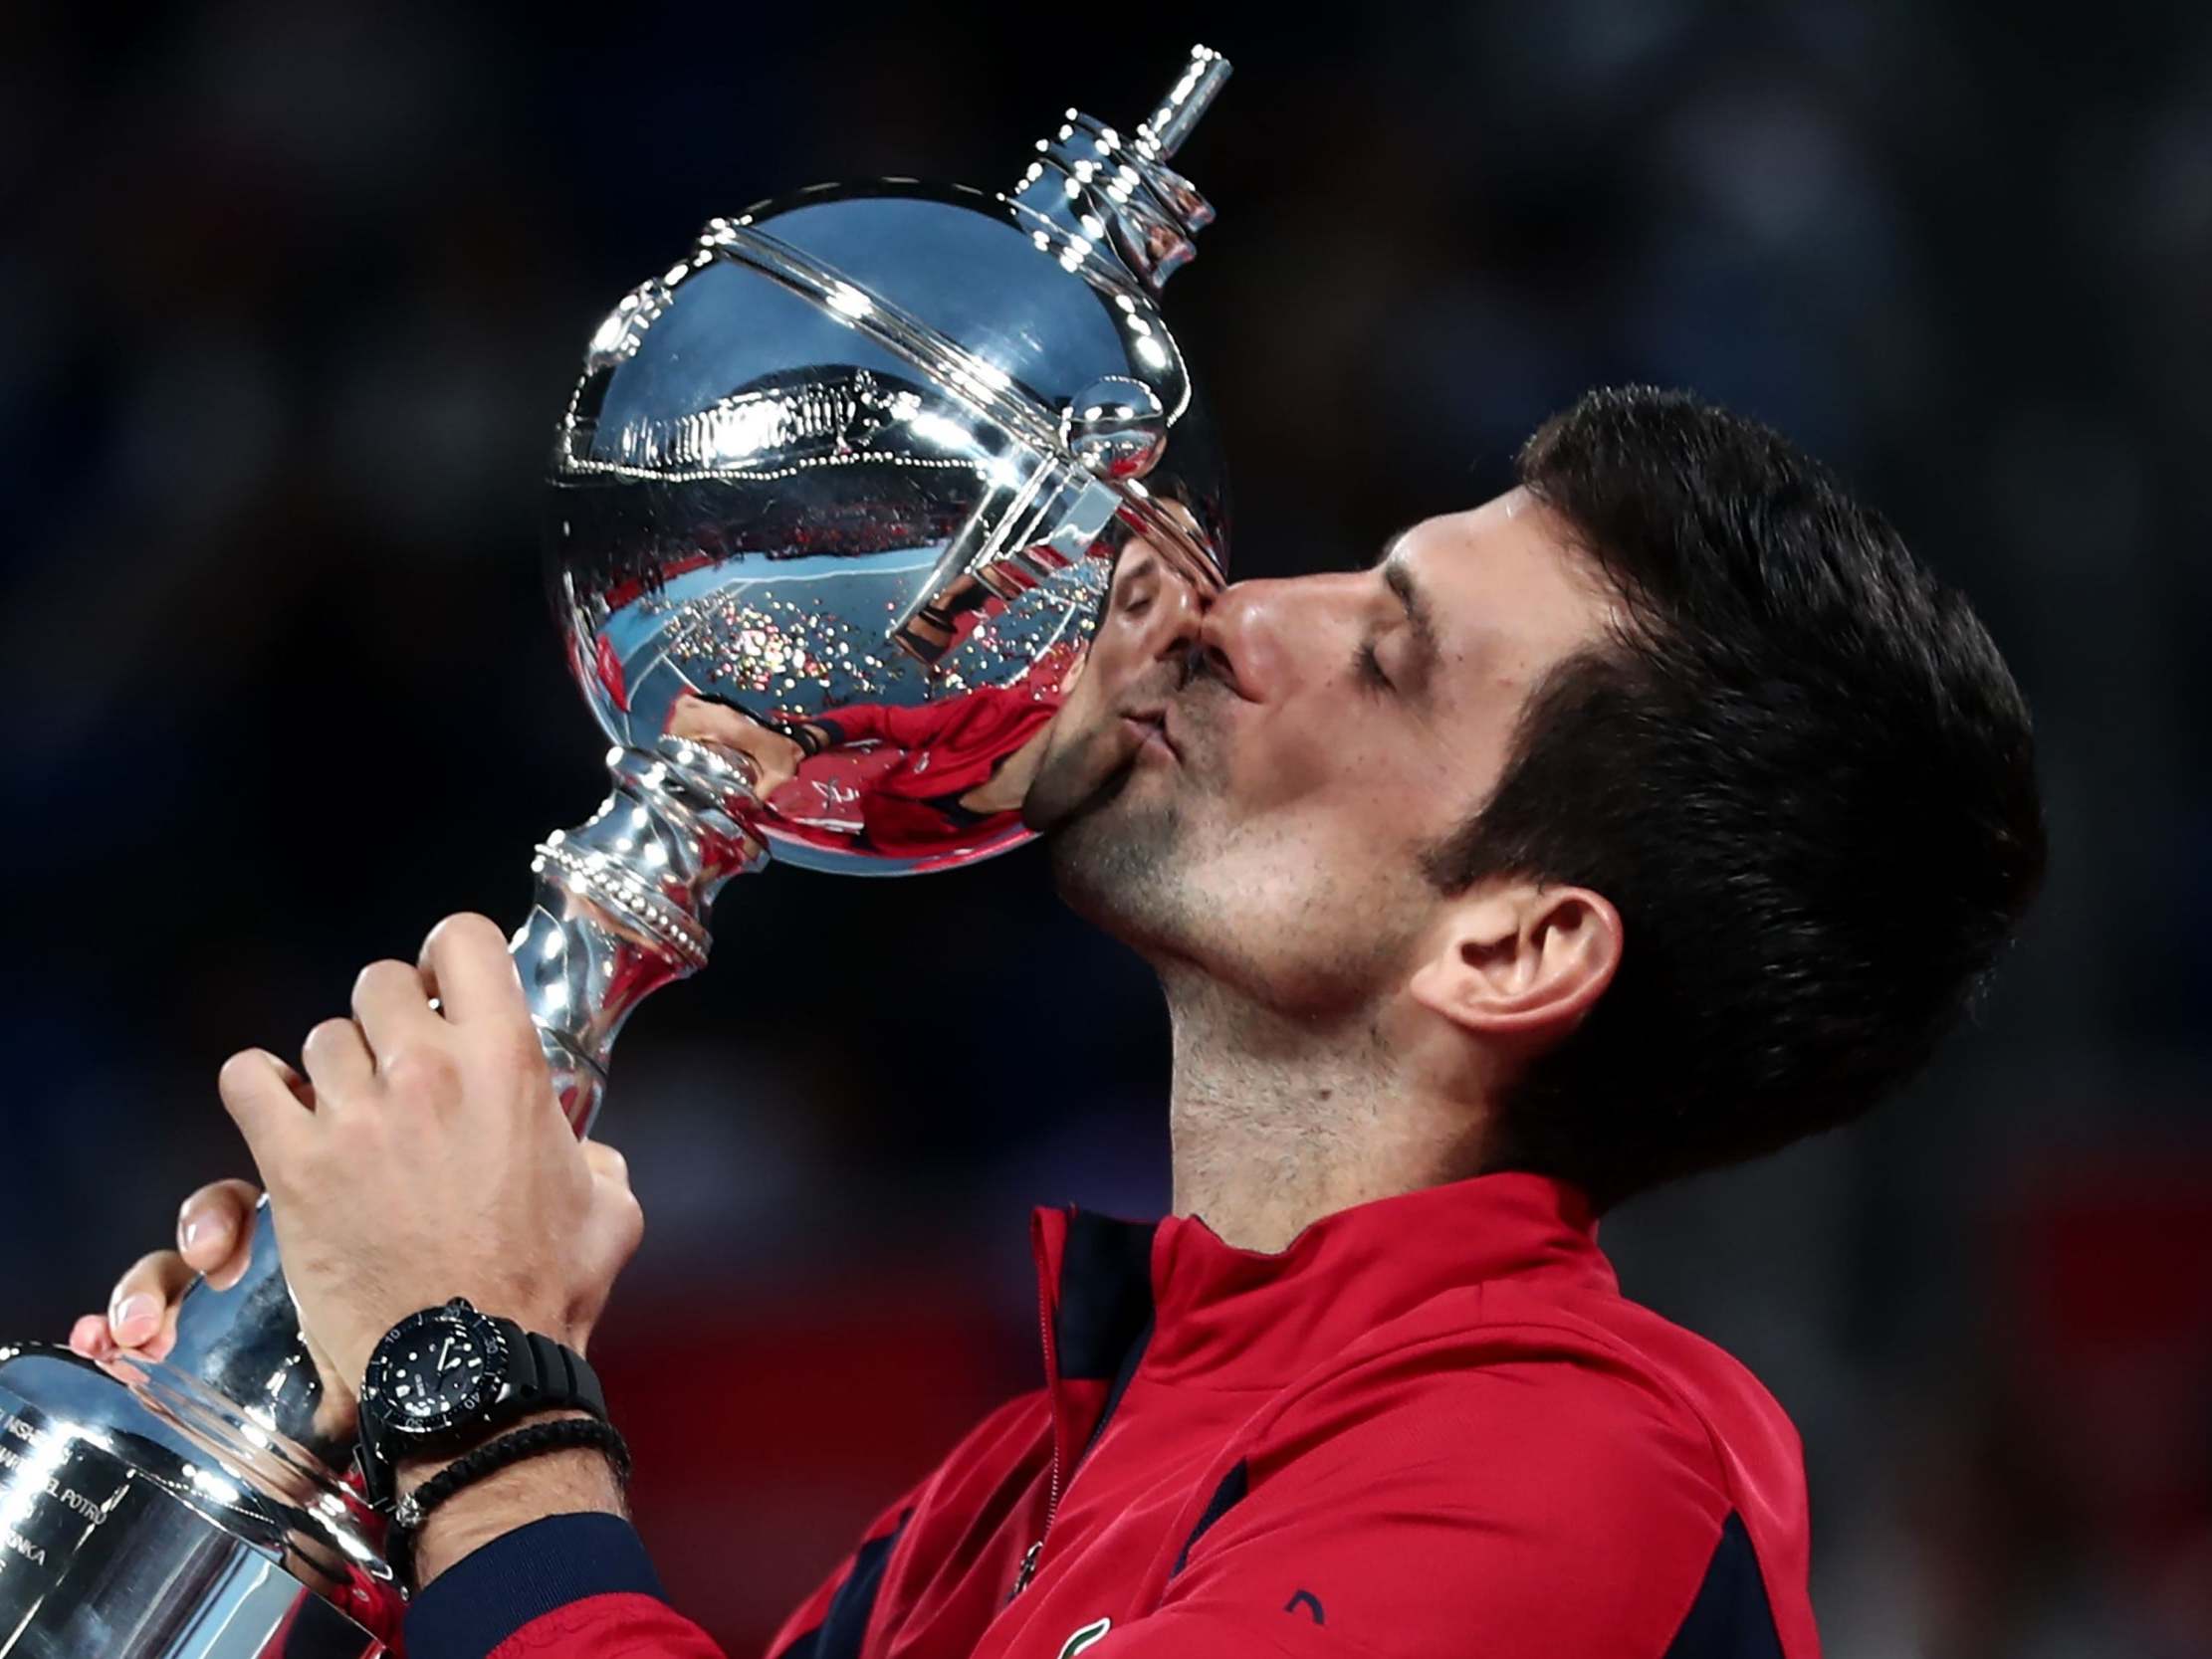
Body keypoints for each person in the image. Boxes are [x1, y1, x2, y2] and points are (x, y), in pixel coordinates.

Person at [71, 387, 2046, 1659]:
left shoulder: (1578, 1476)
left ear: (1516, 947)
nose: (1221, 611)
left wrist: (482, 1391)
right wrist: (261, 1514)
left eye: (1380, 651)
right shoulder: (1031, 1477)